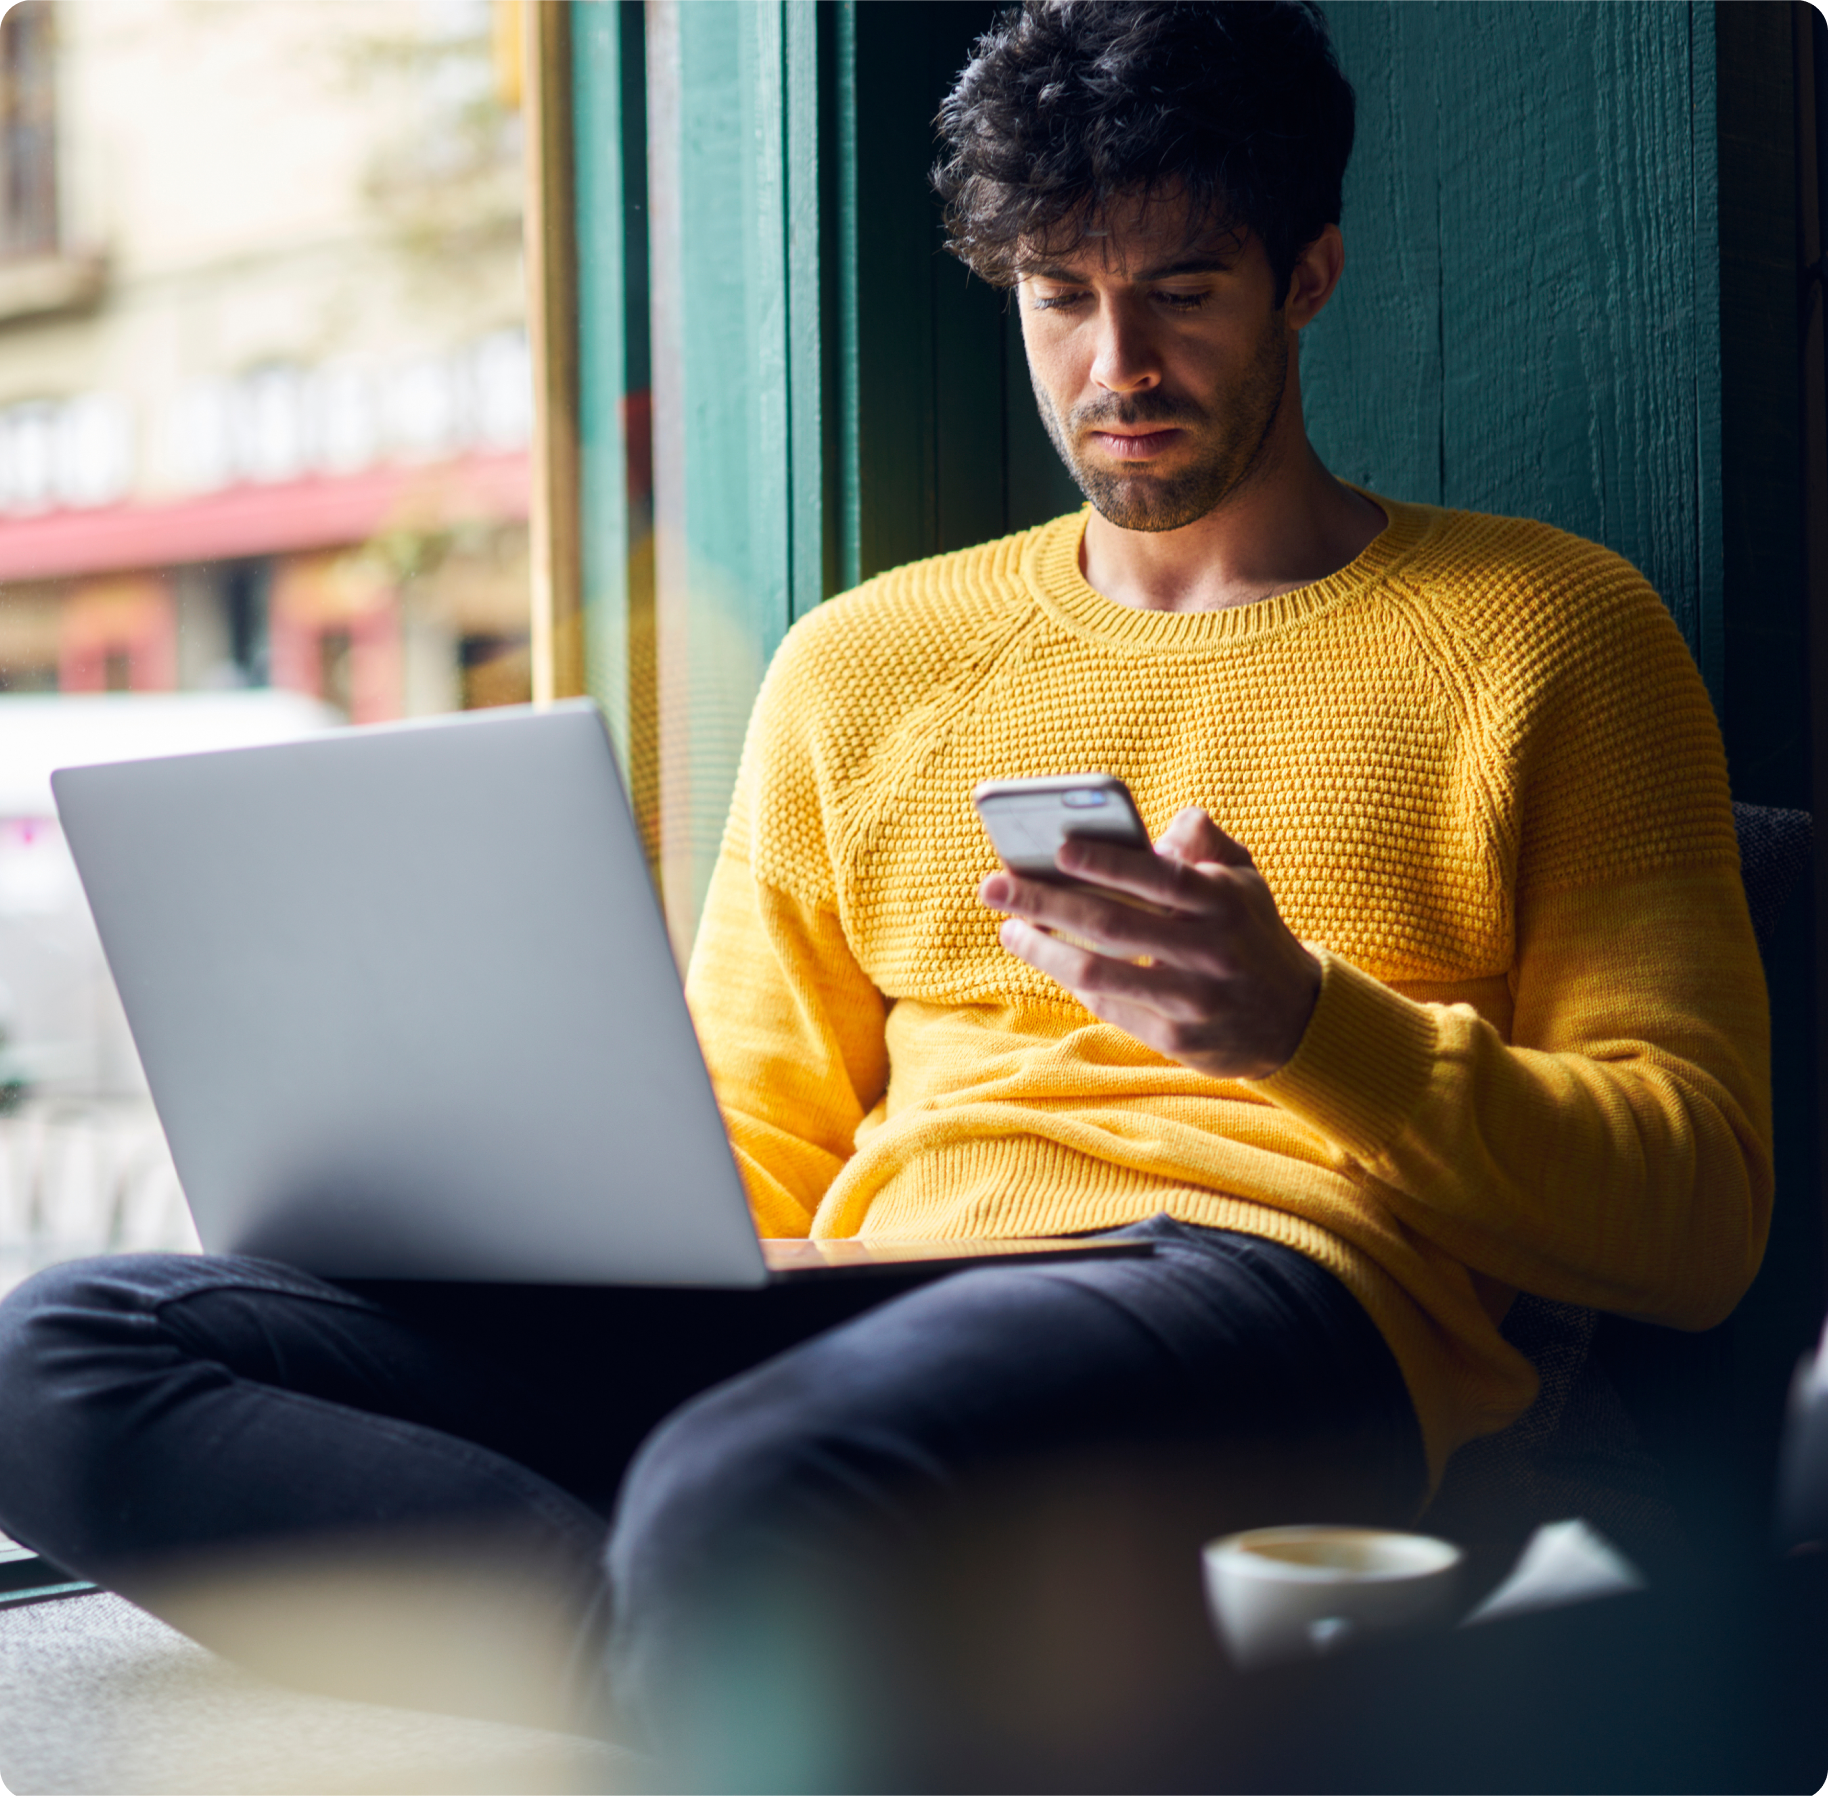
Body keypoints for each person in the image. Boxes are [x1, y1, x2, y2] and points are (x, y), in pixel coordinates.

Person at [0, 0, 1771, 1787]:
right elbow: (758, 1142)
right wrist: (533, 1235)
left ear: (1306, 274)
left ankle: (745, 1600)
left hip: (1273, 1290)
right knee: (62, 1348)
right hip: (874, 1300)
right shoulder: (868, 660)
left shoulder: (1547, 634)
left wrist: (1305, 1028)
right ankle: (735, 1643)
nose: (1117, 366)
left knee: (753, 1487)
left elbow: (1699, 1219)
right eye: (1061, 298)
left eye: (1183, 287)